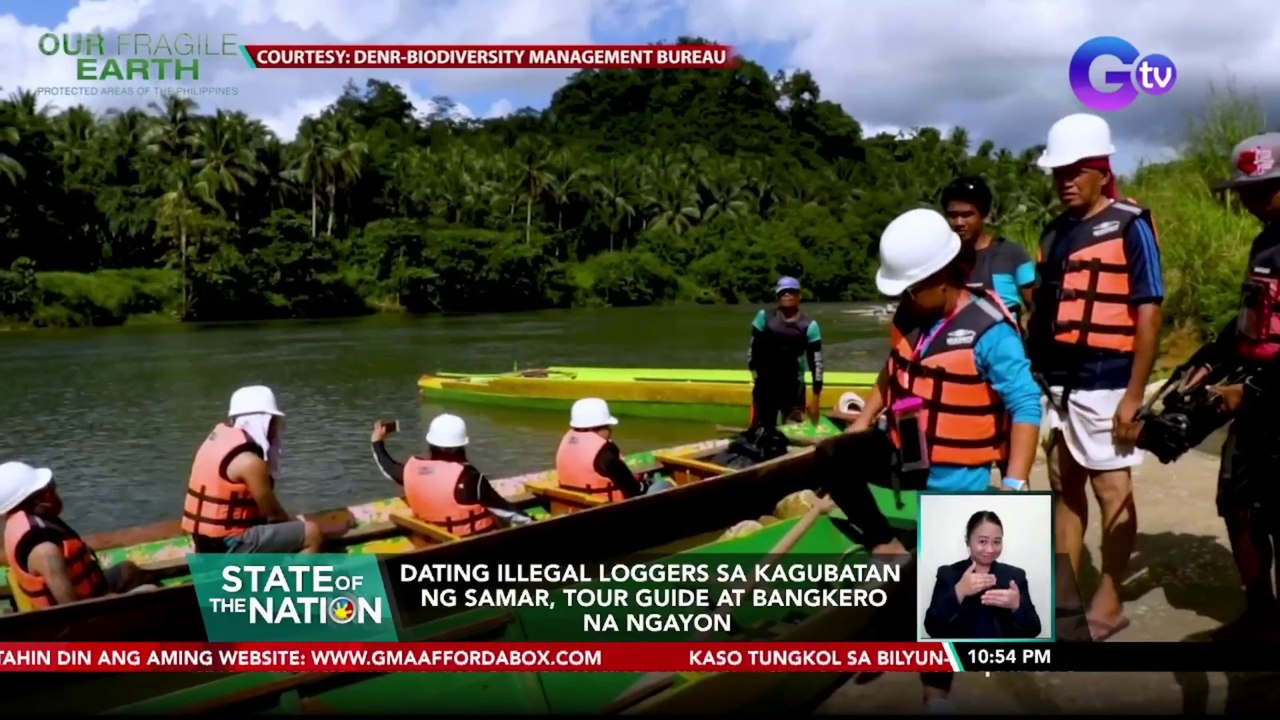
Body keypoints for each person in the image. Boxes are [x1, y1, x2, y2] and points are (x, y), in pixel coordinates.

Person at [838, 207, 1042, 712]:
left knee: (941, 587)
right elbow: (893, 370)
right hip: (907, 449)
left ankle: (936, 694)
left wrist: (1015, 486)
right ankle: (886, 544)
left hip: (957, 468)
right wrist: (864, 422)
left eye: (913, 288)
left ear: (944, 277)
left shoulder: (990, 330)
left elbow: (1025, 405)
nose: (906, 298)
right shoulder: (913, 313)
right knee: (833, 458)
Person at [1027, 113, 1163, 642]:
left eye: (1075, 171)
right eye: (1058, 172)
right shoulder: (1054, 232)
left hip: (1108, 381)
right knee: (1064, 484)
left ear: (1102, 171)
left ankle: (1110, 595)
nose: (1065, 181)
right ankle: (1065, 593)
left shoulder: (1131, 223)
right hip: (1057, 384)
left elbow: (1149, 312)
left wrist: (1133, 396)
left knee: (1111, 488)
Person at [1178, 133, 1280, 635]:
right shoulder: (1266, 242)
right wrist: (1210, 361)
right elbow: (1252, 315)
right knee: (1238, 506)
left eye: (1263, 190)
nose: (1250, 200)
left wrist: (1252, 393)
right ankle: (1260, 616)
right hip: (1256, 394)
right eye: (1245, 191)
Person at [182, 385, 327, 554]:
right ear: (266, 422)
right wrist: (296, 524)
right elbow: (273, 515)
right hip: (229, 545)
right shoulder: (250, 462)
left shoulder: (214, 444)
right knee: (311, 533)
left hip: (204, 542)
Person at [2, 461, 156, 610]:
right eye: (50, 486)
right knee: (152, 590)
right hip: (81, 616)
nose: (54, 490)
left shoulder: (23, 523)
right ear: (37, 498)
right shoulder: (45, 552)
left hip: (91, 593)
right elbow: (73, 610)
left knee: (128, 570)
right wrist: (113, 598)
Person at [371, 413, 532, 534]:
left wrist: (377, 442)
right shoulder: (469, 478)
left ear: (431, 443)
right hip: (472, 544)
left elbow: (387, 466)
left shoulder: (411, 472)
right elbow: (506, 511)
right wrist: (533, 522)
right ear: (461, 445)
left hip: (433, 541)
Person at [923, 510, 1042, 640]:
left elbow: (1034, 630)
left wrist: (1016, 607)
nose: (990, 549)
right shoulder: (948, 574)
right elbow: (931, 627)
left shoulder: (1015, 576)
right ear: (968, 541)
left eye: (996, 542)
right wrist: (959, 591)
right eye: (982, 541)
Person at [941, 176, 1037, 329]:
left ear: (983, 215)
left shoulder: (1013, 254)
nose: (959, 223)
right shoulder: (943, 260)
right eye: (953, 215)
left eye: (967, 215)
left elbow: (1036, 306)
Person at [555, 398, 673, 501]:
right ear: (597, 428)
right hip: (607, 508)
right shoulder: (605, 454)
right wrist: (645, 484)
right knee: (666, 485)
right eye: (607, 426)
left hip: (575, 504)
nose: (610, 431)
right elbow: (634, 490)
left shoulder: (567, 441)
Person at [748, 276, 824, 428]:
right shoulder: (764, 318)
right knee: (762, 429)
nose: (787, 295)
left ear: (799, 296)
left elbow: (816, 362)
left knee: (793, 430)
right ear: (777, 297)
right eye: (782, 292)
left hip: (794, 385)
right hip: (766, 382)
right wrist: (756, 377)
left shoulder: (809, 326)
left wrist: (816, 396)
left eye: (791, 291)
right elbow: (753, 350)